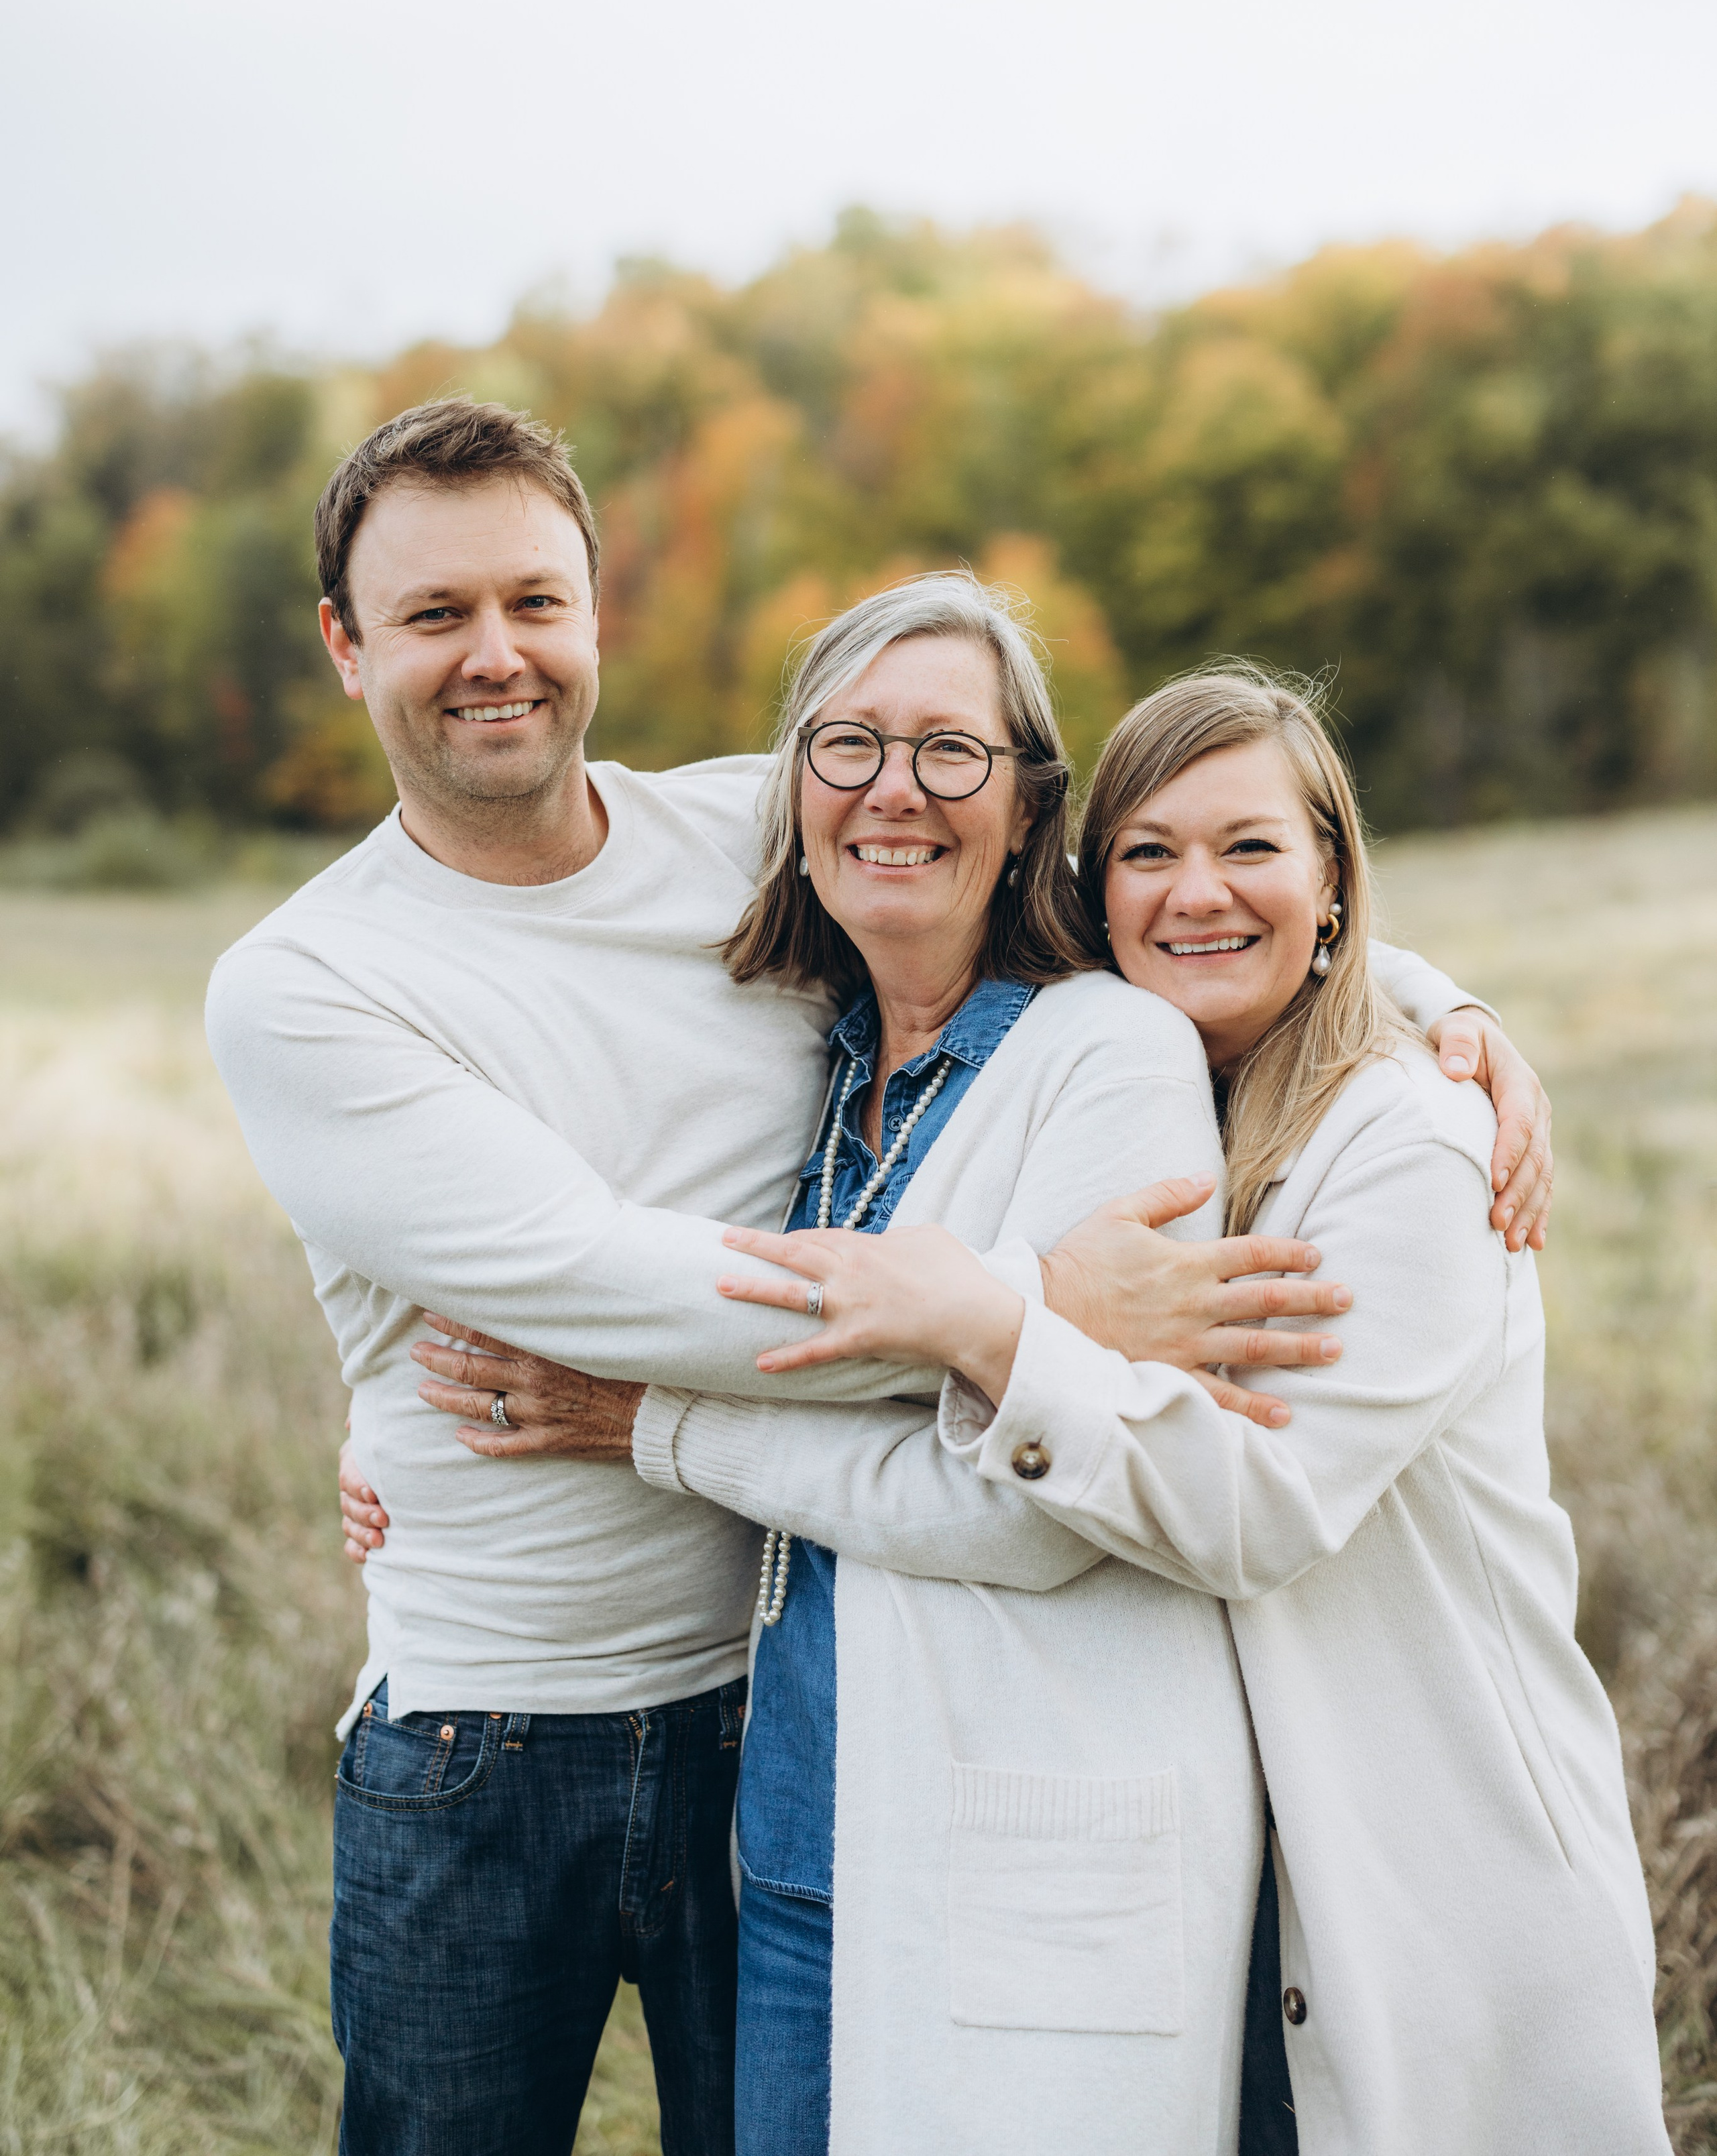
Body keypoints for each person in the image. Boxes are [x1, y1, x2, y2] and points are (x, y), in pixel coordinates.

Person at [216, 401, 1463, 2156]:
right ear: (348, 648)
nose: (493, 655)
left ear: (595, 618)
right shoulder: (305, 983)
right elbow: (592, 1281)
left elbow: (1149, 862)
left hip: (777, 1710)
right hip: (494, 1725)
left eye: (532, 602)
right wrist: (1028, 1307)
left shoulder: (746, 827)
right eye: (432, 616)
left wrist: (1424, 999)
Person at [705, 667, 1669, 2155]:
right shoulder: (1176, 1097)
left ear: (1334, 877)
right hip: (1242, 1884)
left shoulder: (1407, 1145)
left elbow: (1253, 1509)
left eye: (1248, 848)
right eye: (1146, 852)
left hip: (1433, 1868)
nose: (1193, 891)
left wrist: (987, 1321)